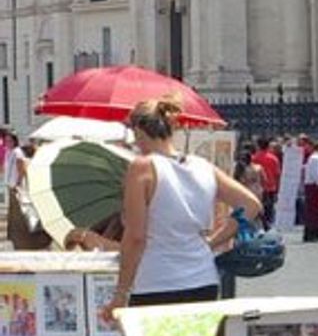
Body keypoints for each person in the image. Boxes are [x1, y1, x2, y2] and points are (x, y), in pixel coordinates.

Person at [104, 96, 262, 313]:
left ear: (139, 132)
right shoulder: (202, 166)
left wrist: (121, 292)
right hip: (202, 277)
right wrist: (213, 242)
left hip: (157, 280)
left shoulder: (142, 167)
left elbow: (136, 236)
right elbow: (251, 205)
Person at [302, 140, 318, 242]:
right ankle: (310, 233)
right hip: (314, 186)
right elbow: (316, 174)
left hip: (315, 185)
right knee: (314, 210)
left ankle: (316, 232)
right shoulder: (315, 158)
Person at [252, 137, 281, 227]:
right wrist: (278, 188)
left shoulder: (254, 158)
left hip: (258, 187)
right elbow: (277, 174)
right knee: (269, 208)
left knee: (258, 208)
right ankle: (267, 225)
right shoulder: (274, 158)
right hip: (271, 187)